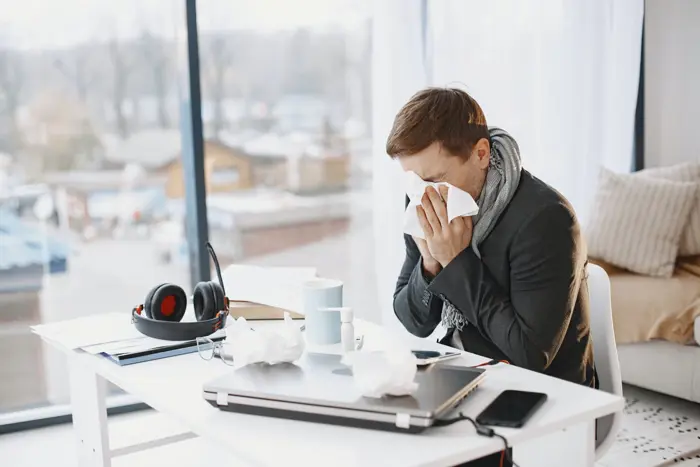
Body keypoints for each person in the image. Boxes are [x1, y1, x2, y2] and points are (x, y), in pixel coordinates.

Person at [389, 88, 595, 465]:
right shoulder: (423, 196)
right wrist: (430, 265)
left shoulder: (545, 219)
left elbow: (530, 354)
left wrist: (456, 262)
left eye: (435, 178)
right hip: (460, 374)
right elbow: (413, 320)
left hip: (540, 395)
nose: (423, 196)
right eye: (413, 182)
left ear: (481, 154)